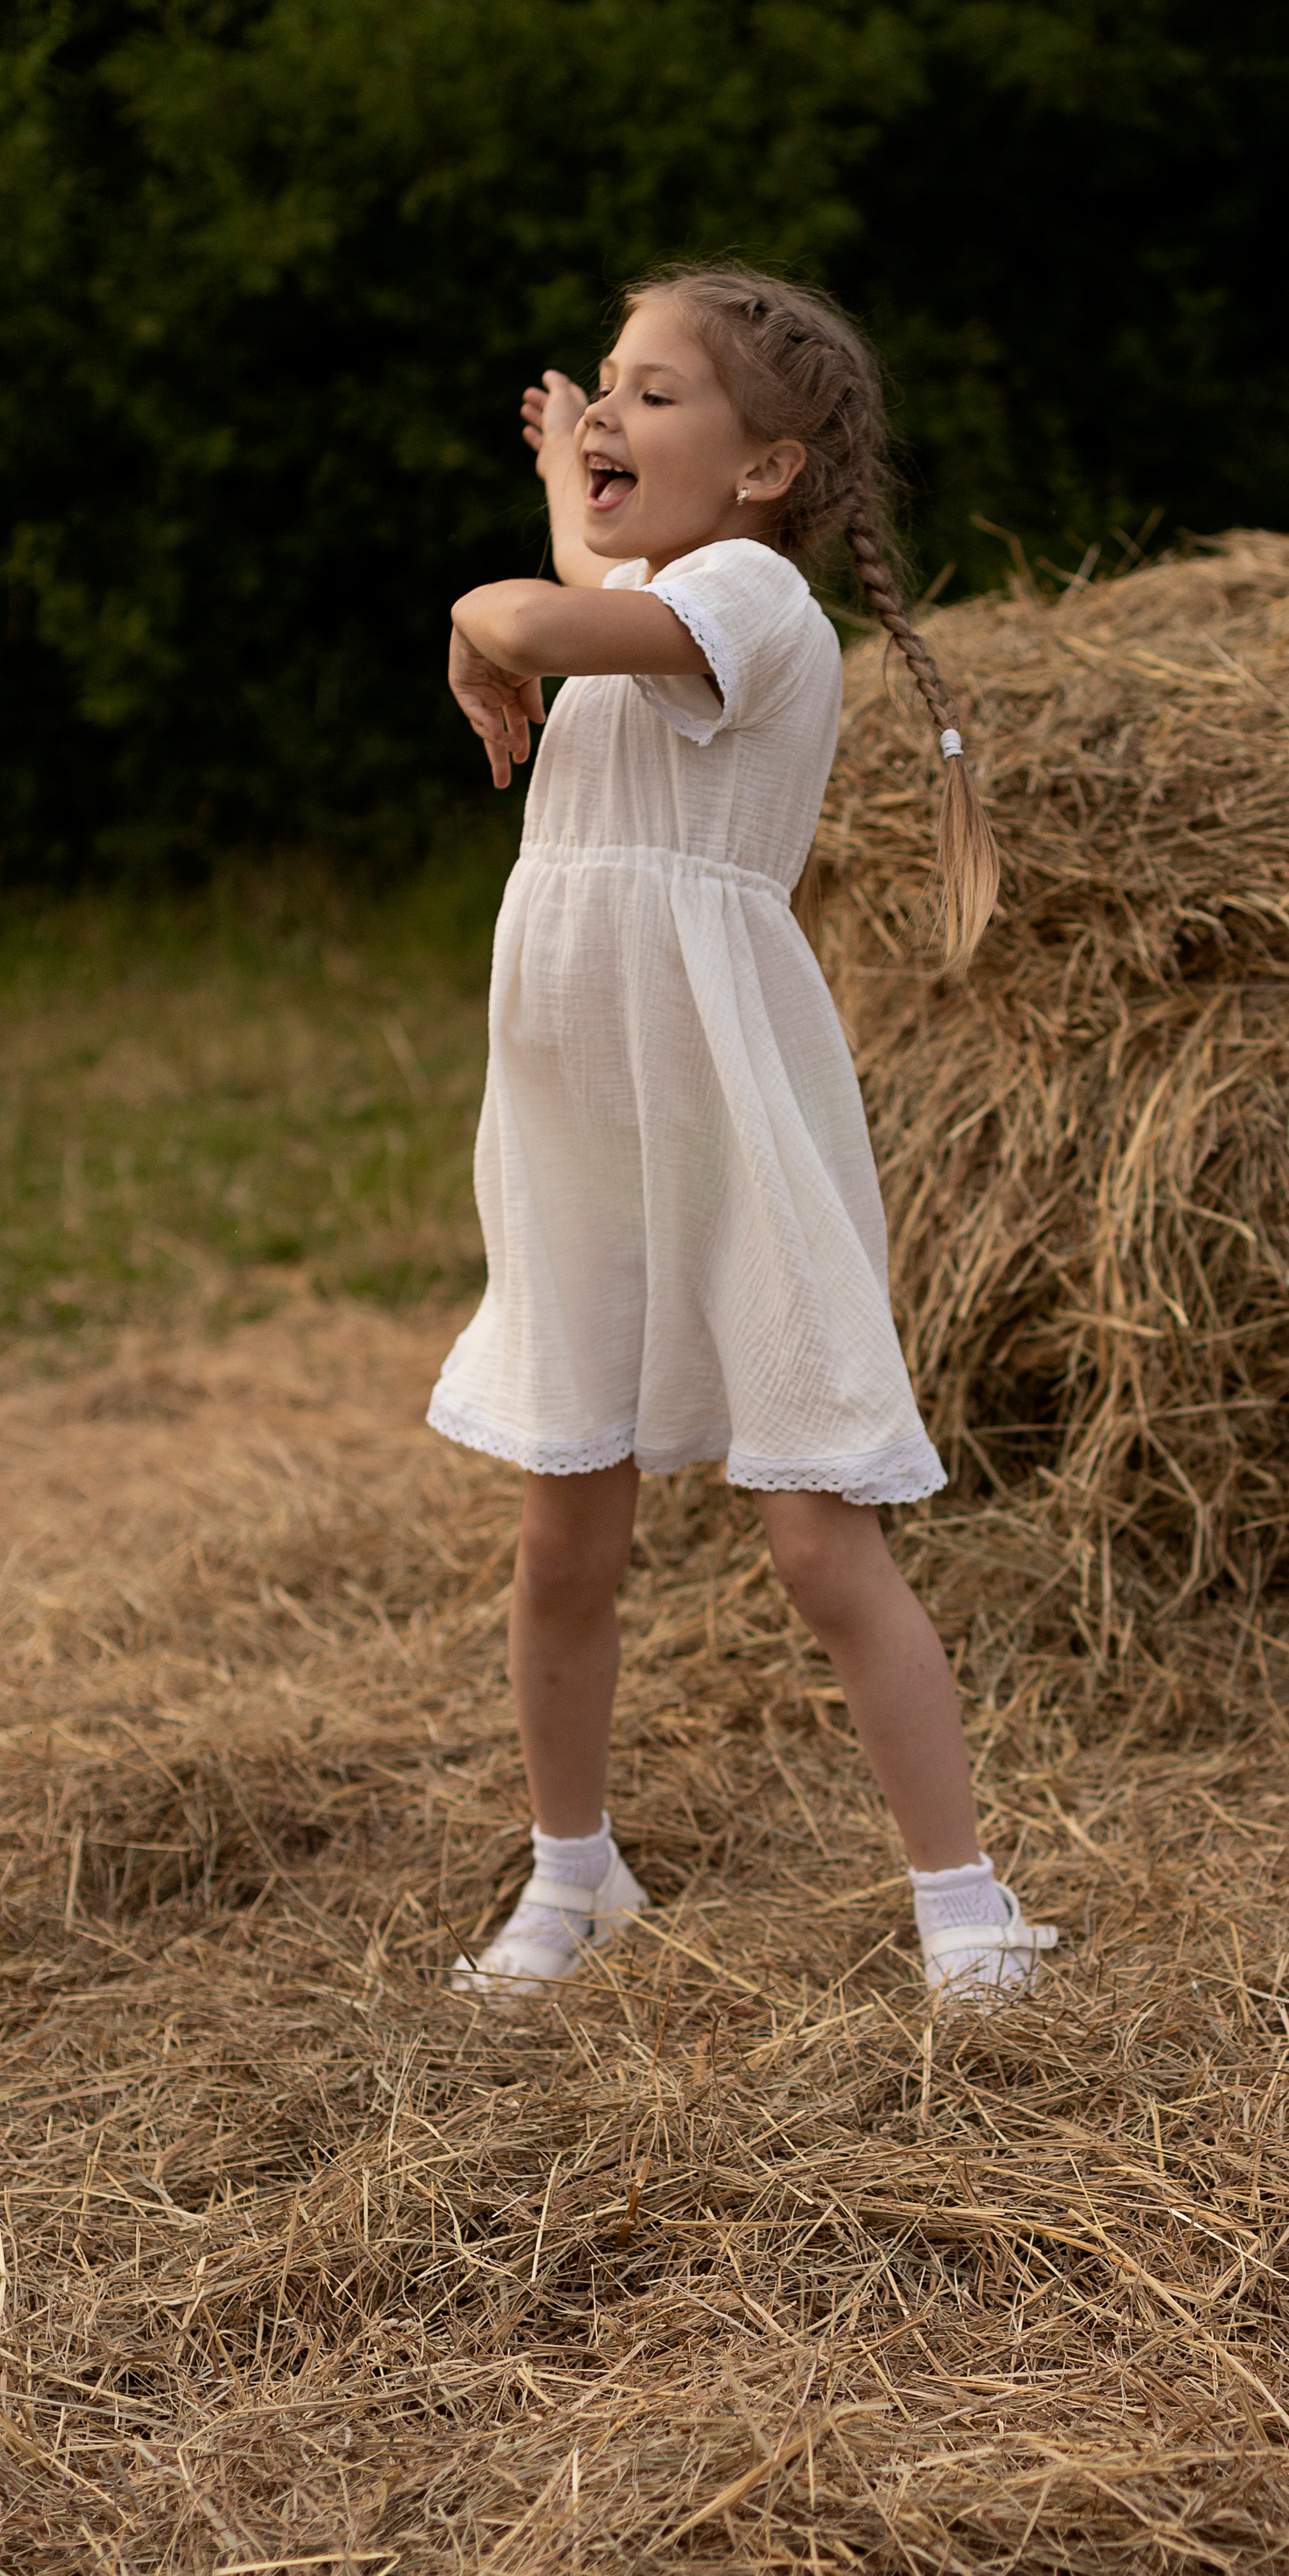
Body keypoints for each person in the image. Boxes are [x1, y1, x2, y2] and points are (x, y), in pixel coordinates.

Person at [428, 267, 1054, 2007]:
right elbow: (579, 597)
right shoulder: (662, 595)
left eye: (655, 394)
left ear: (768, 466)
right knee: (568, 1528)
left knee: (812, 1536)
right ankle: (574, 1876)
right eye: (601, 389)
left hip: (719, 1108)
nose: (612, 416)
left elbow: (547, 623)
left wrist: (485, 612)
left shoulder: (757, 606)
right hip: (579, 1121)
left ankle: (965, 1901)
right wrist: (567, 484)